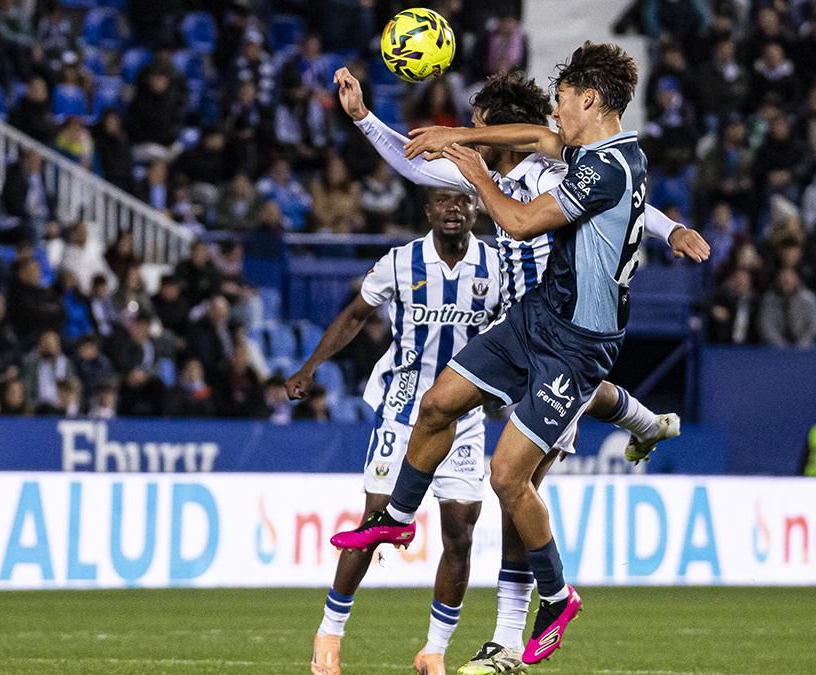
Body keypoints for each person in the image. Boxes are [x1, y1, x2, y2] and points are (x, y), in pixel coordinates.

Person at [337, 63, 700, 673]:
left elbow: (614, 203)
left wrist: (673, 230)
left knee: (514, 487)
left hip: (574, 341)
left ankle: (510, 642)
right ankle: (397, 521)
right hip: (529, 321)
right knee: (440, 406)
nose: (474, 136)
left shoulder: (568, 168)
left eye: (481, 127)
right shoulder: (536, 155)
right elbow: (420, 161)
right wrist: (367, 120)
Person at [288, 188, 503, 675]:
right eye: (442, 202)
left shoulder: (497, 266)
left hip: (464, 417)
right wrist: (310, 367)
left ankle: (434, 651)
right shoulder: (400, 262)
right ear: (428, 212)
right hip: (403, 412)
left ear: (475, 211)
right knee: (373, 524)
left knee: (460, 532)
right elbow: (354, 316)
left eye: (462, 202)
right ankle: (329, 634)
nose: (453, 209)